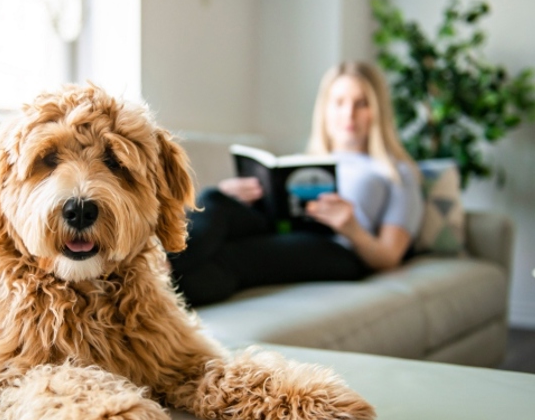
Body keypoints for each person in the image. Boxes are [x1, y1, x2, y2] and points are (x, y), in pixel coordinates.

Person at [170, 61, 424, 307]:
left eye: (362, 104)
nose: (349, 114)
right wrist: (239, 197)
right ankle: (157, 268)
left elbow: (389, 257)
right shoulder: (307, 161)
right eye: (339, 103)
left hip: (338, 248)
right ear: (325, 110)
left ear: (377, 111)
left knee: (235, 257)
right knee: (215, 199)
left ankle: (150, 287)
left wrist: (352, 228)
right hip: (281, 227)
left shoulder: (396, 172)